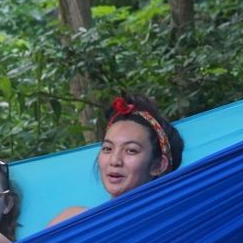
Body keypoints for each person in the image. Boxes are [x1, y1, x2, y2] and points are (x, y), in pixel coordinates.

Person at [49, 93, 183, 226]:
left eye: (131, 150)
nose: (114, 161)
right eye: (107, 148)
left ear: (158, 165)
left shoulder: (174, 227)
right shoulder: (72, 221)